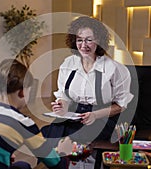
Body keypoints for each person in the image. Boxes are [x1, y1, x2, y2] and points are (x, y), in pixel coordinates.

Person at [42, 16, 134, 144]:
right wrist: (62, 106)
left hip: (102, 117)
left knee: (73, 138)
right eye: (79, 40)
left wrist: (95, 115)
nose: (83, 45)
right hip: (75, 115)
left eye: (89, 40)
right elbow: (64, 96)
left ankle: (73, 161)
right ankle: (61, 162)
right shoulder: (68, 64)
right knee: (52, 134)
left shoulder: (115, 69)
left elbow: (120, 106)